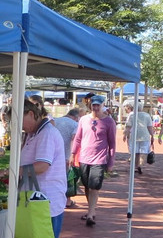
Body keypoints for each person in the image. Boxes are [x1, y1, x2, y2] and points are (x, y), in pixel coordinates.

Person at [9, 98, 67, 238]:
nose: (17, 123)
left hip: (46, 204)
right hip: (32, 201)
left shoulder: (47, 134)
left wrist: (14, 172)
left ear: (31, 114)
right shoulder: (33, 134)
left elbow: (42, 165)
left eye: (19, 118)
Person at [71, 94, 116, 227]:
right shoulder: (84, 119)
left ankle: (91, 214)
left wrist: (111, 162)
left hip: (99, 159)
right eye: (93, 105)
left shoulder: (109, 122)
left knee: (94, 186)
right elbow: (78, 138)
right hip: (84, 158)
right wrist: (72, 154)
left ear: (103, 106)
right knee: (86, 185)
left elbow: (112, 144)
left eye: (98, 105)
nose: (95, 108)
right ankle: (91, 209)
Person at [52, 107, 81, 207]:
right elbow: (75, 139)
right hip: (66, 155)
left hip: (51, 155)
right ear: (76, 117)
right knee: (67, 179)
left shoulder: (55, 121)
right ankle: (67, 200)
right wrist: (73, 155)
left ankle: (54, 198)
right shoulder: (75, 124)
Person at [122, 101, 155, 175]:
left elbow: (128, 126)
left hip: (134, 135)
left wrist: (125, 134)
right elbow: (150, 127)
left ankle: (135, 166)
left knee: (135, 152)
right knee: (143, 151)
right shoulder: (147, 115)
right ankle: (140, 165)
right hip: (144, 135)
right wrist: (152, 135)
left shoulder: (131, 115)